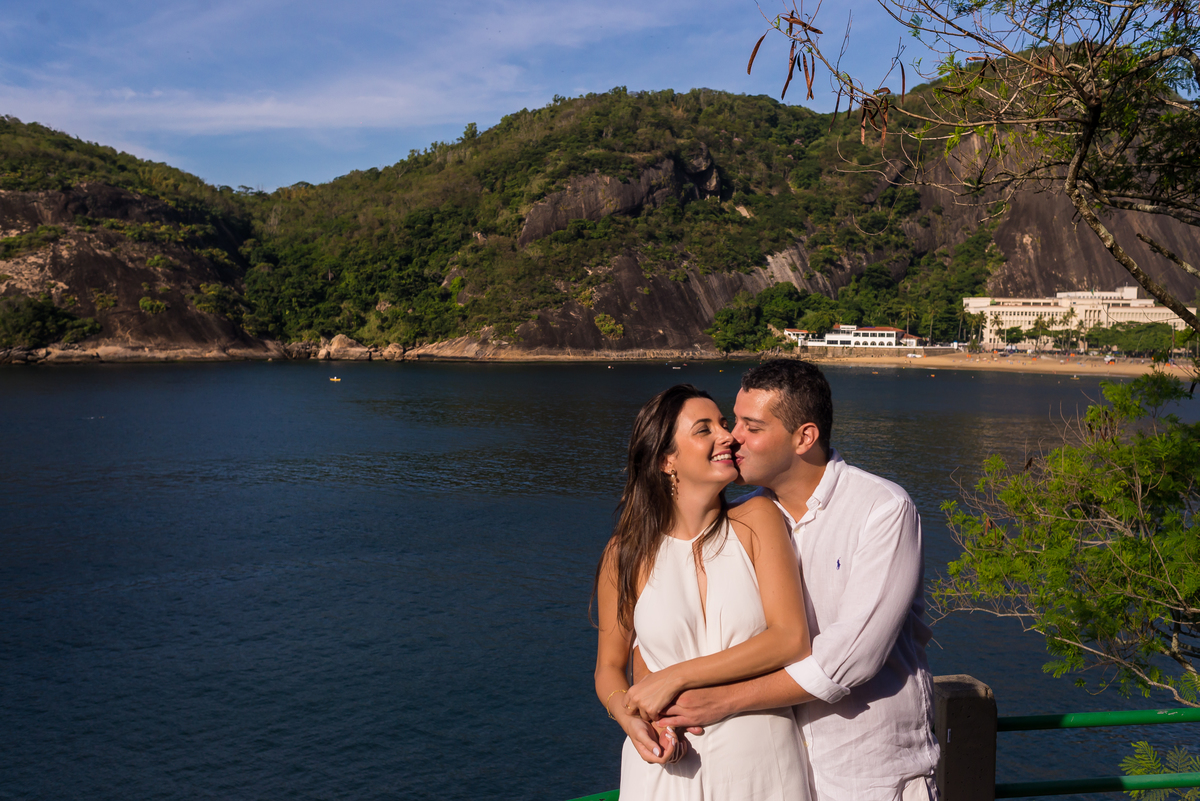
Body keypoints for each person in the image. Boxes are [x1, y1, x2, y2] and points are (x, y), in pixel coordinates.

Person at [650, 360, 941, 800]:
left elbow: (851, 658)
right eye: (734, 421)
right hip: (778, 775)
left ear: (804, 437)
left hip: (872, 776)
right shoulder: (739, 524)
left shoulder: (881, 509)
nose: (732, 438)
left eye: (751, 426)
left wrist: (722, 700)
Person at [594, 384, 814, 801]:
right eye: (704, 429)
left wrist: (674, 677)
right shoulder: (625, 553)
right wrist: (630, 718)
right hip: (664, 770)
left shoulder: (757, 519)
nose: (727, 436)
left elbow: (790, 639)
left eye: (724, 423)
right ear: (666, 460)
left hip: (761, 763)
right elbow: (608, 667)